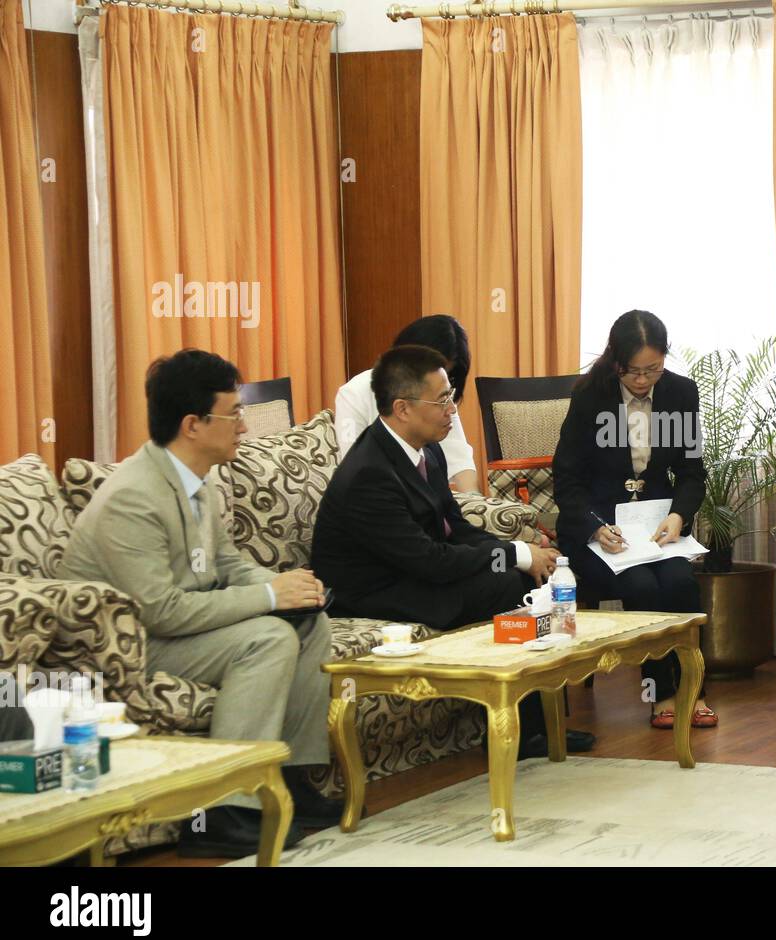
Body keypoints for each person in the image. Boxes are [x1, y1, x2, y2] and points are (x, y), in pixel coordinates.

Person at [57, 349, 340, 858]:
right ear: (193, 424)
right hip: (126, 649)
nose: (244, 428)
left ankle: (292, 779)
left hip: (177, 630)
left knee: (305, 622)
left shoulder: (198, 479)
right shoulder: (133, 498)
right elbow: (159, 611)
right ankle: (221, 807)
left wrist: (288, 588)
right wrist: (268, 598)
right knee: (268, 637)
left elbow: (227, 563)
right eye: (234, 414)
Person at [312, 344, 594, 757]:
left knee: (527, 577)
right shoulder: (370, 473)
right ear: (403, 408)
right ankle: (521, 730)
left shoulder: (427, 449)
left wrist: (520, 549)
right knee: (506, 585)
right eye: (442, 400)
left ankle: (537, 724)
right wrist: (515, 557)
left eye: (452, 397)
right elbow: (429, 559)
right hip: (371, 591)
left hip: (411, 571)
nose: (452, 410)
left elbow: (455, 529)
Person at [553, 310, 717, 729]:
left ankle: (693, 689)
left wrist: (680, 515)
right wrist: (594, 526)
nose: (643, 381)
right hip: (602, 531)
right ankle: (660, 693)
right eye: (633, 372)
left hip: (659, 528)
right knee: (640, 584)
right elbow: (567, 481)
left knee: (680, 582)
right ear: (615, 363)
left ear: (665, 360)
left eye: (652, 370)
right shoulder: (590, 396)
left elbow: (693, 473)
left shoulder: (681, 393)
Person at [335, 314, 479, 493]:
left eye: (447, 375)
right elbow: (355, 471)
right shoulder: (355, 394)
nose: (439, 383)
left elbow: (460, 460)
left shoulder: (439, 397)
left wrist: (476, 506)